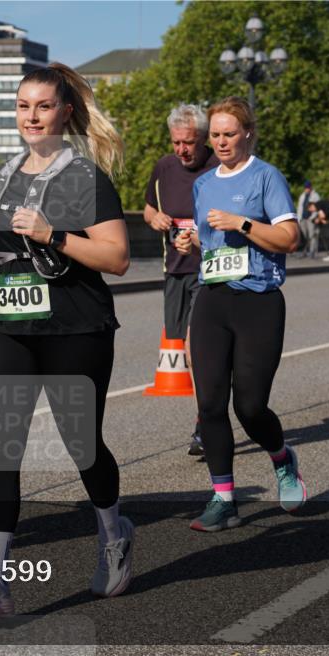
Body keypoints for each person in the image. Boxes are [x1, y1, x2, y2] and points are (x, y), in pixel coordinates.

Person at [0, 63, 132, 616]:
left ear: (65, 112)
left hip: (74, 326)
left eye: (43, 106)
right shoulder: (5, 172)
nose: (32, 116)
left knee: (81, 445)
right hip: (7, 323)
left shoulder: (85, 177)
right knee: (2, 449)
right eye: (23, 106)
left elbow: (117, 257)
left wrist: (55, 234)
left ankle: (114, 533)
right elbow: (7, 234)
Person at [173, 96, 307, 532]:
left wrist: (244, 224)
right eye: (216, 134)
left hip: (259, 301)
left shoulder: (267, 176)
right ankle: (223, 499)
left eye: (230, 133)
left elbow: (290, 238)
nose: (222, 141)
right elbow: (209, 242)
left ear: (248, 133)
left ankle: (282, 459)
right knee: (210, 403)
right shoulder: (204, 183)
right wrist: (190, 242)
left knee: (249, 407)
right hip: (213, 298)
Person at [142, 104, 219, 457]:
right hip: (174, 269)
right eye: (176, 143)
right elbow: (147, 207)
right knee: (185, 347)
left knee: (195, 347)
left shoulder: (218, 167)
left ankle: (205, 424)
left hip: (212, 270)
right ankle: (214, 407)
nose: (182, 150)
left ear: (203, 139)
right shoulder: (164, 167)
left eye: (188, 143)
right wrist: (156, 217)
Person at [296, 180, 321, 258]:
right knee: (304, 236)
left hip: (310, 219)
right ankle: (304, 252)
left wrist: (312, 217)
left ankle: (312, 252)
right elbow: (300, 207)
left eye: (308, 188)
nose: (307, 189)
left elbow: (317, 207)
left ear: (311, 187)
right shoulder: (302, 196)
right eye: (305, 188)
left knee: (312, 235)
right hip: (303, 219)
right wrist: (298, 217)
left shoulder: (315, 195)